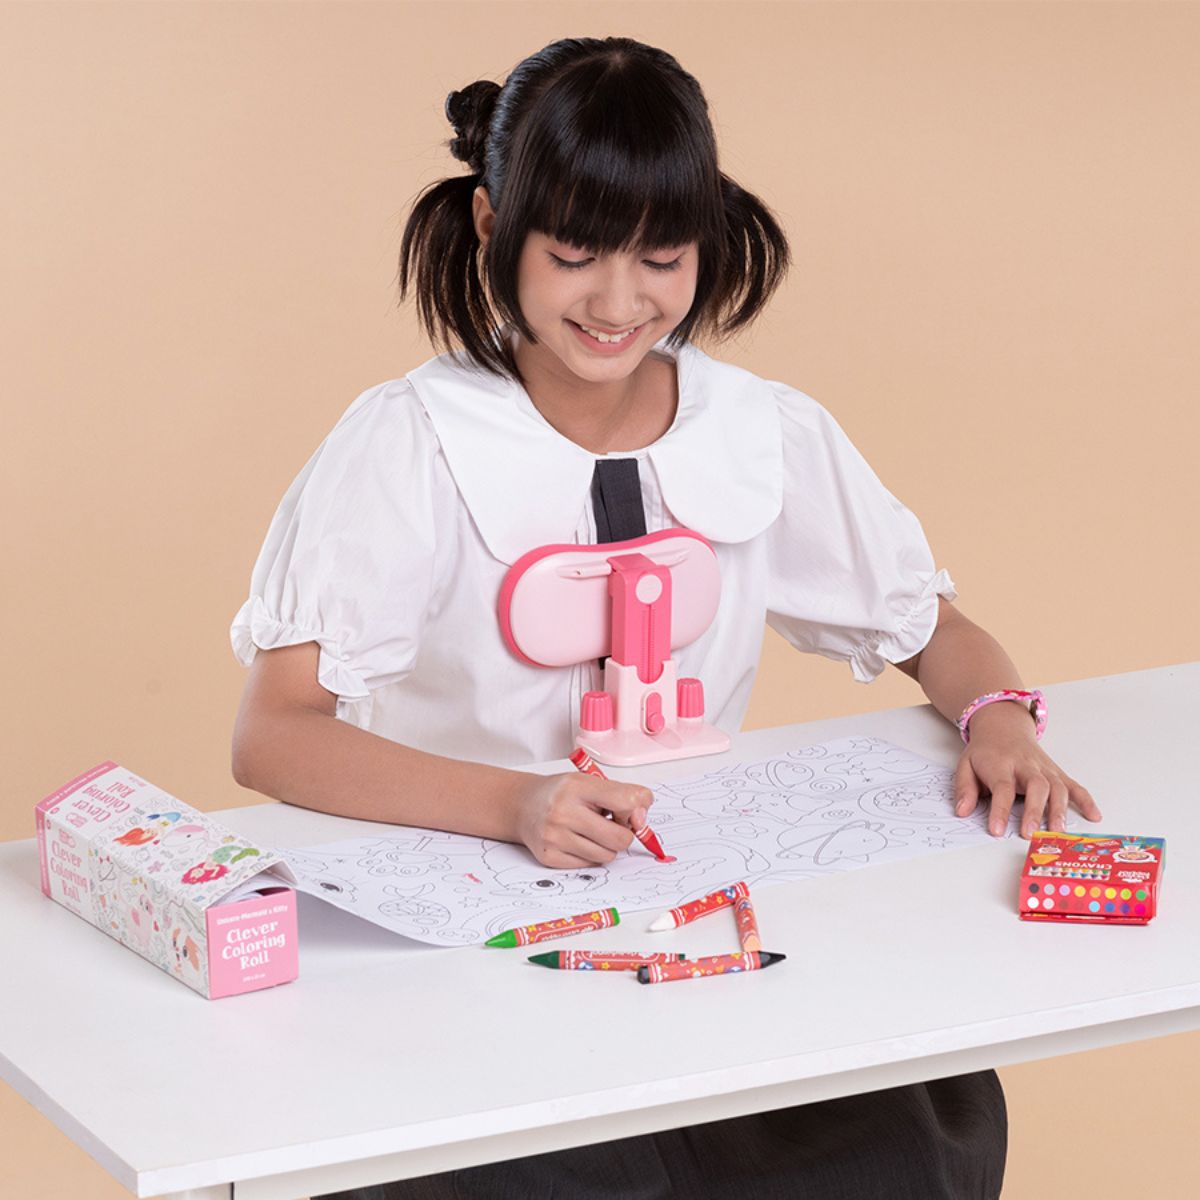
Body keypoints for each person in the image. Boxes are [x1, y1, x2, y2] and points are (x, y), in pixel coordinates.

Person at [229, 35, 1102, 1200]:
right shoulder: (410, 444)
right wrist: (514, 803)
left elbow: (933, 632)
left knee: (910, 1130)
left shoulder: (758, 429)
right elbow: (274, 734)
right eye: (573, 254)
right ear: (492, 226)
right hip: (467, 928)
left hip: (691, 907)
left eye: (661, 257)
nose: (617, 301)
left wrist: (999, 719)